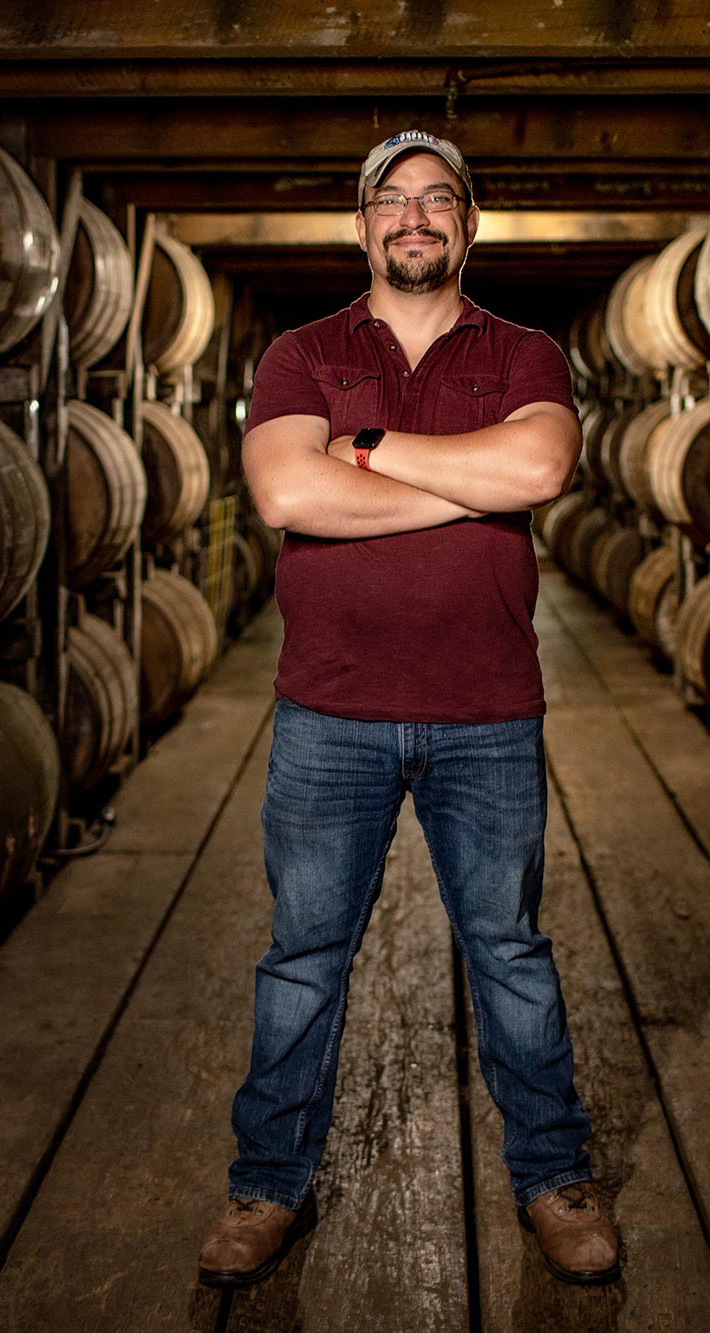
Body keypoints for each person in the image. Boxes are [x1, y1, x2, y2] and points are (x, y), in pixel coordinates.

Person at [198, 129, 620, 1291]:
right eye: (392, 202)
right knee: (302, 959)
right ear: (363, 226)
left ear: (467, 224)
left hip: (487, 712)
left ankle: (551, 1174)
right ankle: (265, 1184)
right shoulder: (301, 352)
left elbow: (535, 473)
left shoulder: (524, 351)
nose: (414, 218)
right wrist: (458, 482)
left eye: (438, 200)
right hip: (327, 715)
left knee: (510, 954)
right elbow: (288, 487)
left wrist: (375, 455)